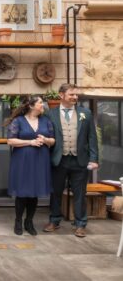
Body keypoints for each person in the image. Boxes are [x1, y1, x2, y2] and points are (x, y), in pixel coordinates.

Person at [43, 83, 99, 238]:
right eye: (71, 94)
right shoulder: (50, 114)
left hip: (80, 160)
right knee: (56, 192)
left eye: (76, 95)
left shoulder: (85, 113)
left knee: (80, 193)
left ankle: (80, 224)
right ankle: (54, 220)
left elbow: (92, 138)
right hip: (58, 160)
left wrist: (94, 159)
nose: (75, 97)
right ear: (61, 95)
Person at [5, 96, 55, 236]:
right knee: (22, 192)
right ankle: (18, 221)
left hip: (41, 160)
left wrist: (45, 140)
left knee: (35, 192)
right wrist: (30, 142)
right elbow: (10, 141)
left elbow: (53, 140)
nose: (42, 105)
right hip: (22, 160)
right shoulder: (18, 121)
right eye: (40, 103)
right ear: (32, 105)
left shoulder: (46, 121)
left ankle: (29, 221)